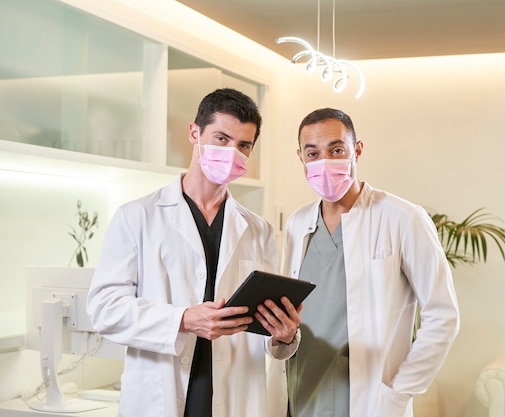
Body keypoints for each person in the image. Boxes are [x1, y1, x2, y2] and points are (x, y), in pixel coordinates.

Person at [87, 88, 302, 417]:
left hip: (235, 395)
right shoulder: (137, 217)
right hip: (163, 392)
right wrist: (184, 320)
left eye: (243, 145)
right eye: (221, 138)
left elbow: (263, 332)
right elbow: (104, 309)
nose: (232, 152)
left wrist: (283, 336)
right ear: (194, 133)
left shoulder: (258, 230)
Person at [282, 108, 460, 417]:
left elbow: (443, 315)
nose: (324, 161)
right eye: (313, 153)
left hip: (371, 400)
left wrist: (400, 390)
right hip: (303, 391)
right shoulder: (298, 224)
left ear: (357, 150)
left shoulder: (402, 218)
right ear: (301, 158)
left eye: (336, 150)